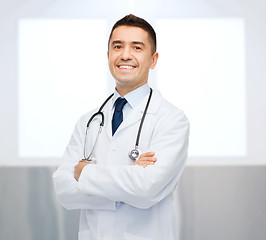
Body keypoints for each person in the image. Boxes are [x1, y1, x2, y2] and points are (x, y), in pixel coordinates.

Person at [53, 14, 189, 240]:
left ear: (153, 59)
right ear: (108, 56)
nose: (125, 55)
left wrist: (85, 172)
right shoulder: (90, 121)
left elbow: (148, 188)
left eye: (137, 47)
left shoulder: (172, 119)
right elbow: (64, 190)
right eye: (118, 46)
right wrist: (130, 176)